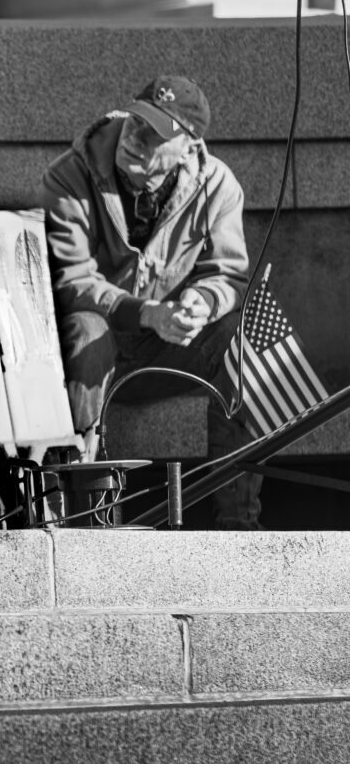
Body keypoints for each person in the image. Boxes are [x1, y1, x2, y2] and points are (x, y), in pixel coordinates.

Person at [40, 74, 262, 529]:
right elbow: (69, 281)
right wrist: (146, 313)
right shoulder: (71, 173)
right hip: (95, 352)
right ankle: (89, 522)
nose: (135, 139)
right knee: (86, 330)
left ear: (188, 146)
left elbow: (228, 275)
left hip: (168, 348)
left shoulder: (218, 185)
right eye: (136, 122)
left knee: (242, 340)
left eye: (155, 133)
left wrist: (202, 302)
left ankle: (239, 531)